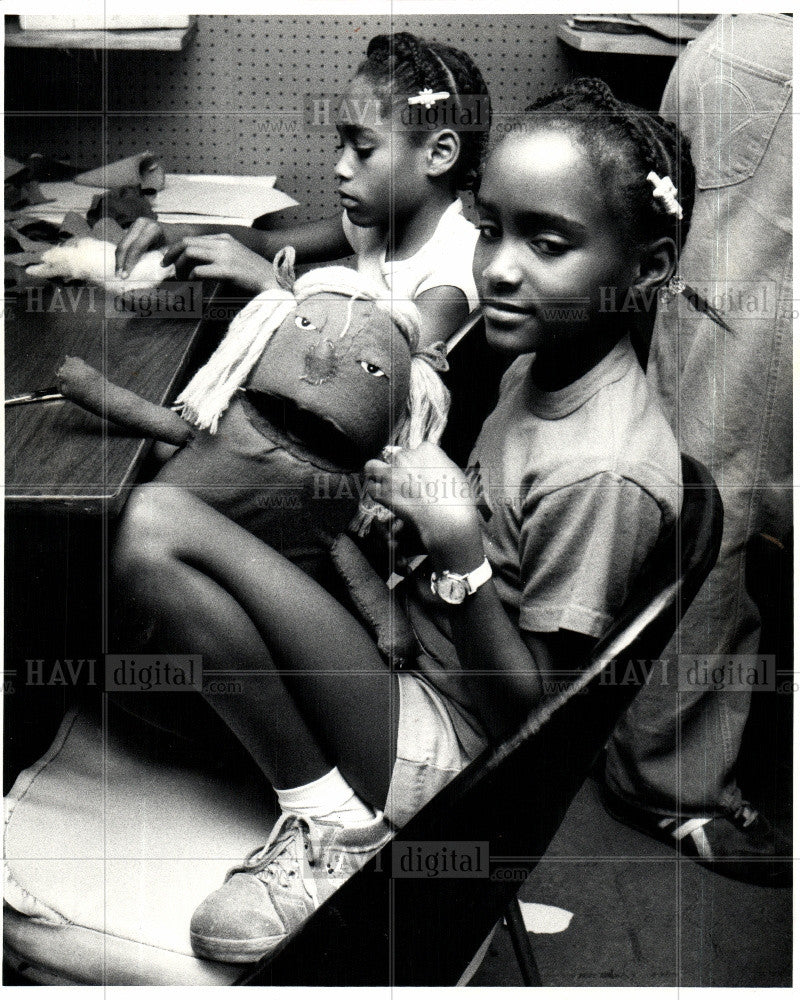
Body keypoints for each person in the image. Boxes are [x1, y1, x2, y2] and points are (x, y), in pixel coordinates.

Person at [111, 77, 686, 964]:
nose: (497, 266)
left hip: (448, 753)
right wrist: (416, 524)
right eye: (491, 229)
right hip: (412, 654)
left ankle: (335, 831)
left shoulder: (604, 469)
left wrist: (458, 554)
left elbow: (533, 727)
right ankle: (308, 773)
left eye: (548, 242)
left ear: (645, 268)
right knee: (195, 559)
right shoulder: (544, 371)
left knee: (156, 528)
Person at [602, 13, 792, 886]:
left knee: (733, 431)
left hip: (762, 67)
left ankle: (675, 760)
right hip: (776, 78)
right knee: (725, 451)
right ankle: (668, 776)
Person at [114, 31, 491, 348]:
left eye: (363, 149)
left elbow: (371, 364)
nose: (340, 167)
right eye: (339, 146)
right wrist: (177, 233)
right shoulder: (375, 226)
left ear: (439, 153)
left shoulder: (454, 271)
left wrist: (271, 284)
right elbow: (265, 243)